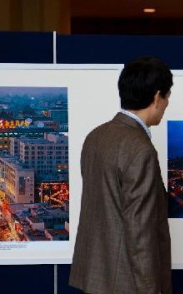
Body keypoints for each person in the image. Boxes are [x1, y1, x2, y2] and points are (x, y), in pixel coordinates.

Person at [70, 57, 173, 294]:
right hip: (127, 283)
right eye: (167, 97)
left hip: (94, 277)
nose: (167, 104)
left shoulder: (95, 137)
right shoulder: (140, 149)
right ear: (157, 97)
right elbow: (141, 231)